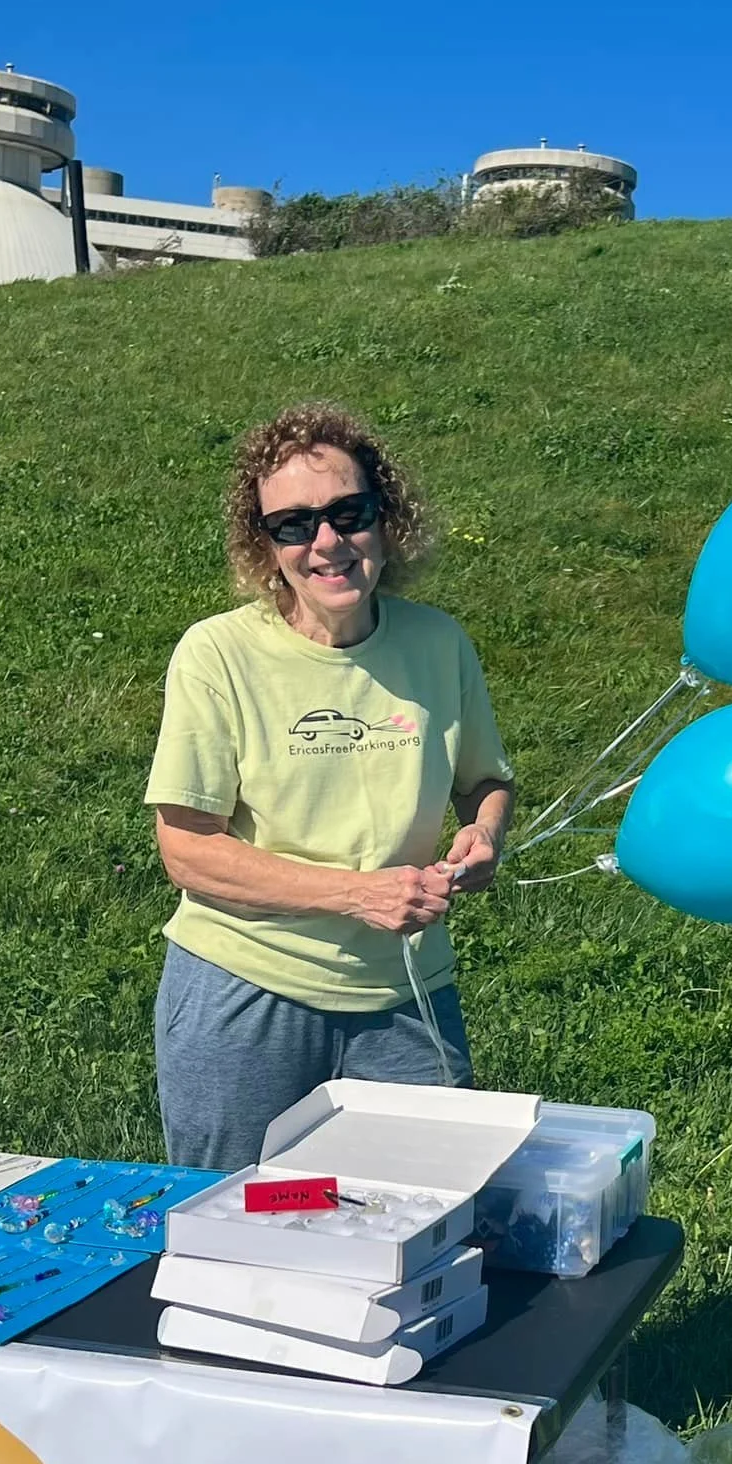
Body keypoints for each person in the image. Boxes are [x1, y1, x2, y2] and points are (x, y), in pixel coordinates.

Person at [145, 403, 515, 1171]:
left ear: (387, 519)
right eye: (293, 525)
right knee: (243, 1217)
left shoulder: (438, 643)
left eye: (349, 513)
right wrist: (354, 895)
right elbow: (186, 850)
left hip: (406, 989)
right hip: (247, 987)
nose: (326, 543)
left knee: (425, 1211)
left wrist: (485, 832)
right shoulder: (218, 655)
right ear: (264, 543)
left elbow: (485, 780)